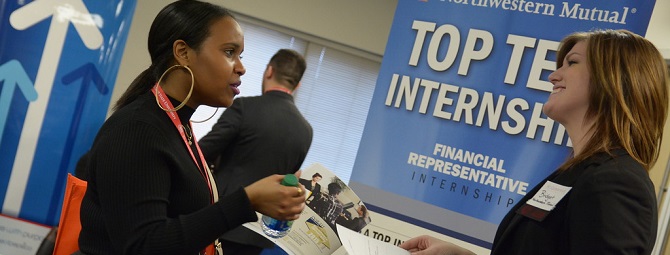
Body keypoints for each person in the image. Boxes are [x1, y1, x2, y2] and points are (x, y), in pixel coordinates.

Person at [400, 29, 668, 255]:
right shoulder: (578, 174)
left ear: (614, 79)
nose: (553, 76)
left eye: (572, 63)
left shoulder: (616, 183)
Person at [75, 1, 305, 254]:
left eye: (240, 56)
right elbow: (143, 245)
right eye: (229, 52)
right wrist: (246, 201)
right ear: (183, 52)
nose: (241, 67)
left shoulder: (176, 125)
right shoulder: (138, 128)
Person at [197, 48, 313, 254]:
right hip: (258, 236)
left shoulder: (244, 107)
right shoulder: (305, 130)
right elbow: (286, 181)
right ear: (297, 84)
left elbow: (200, 154)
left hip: (221, 223)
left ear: (269, 71)